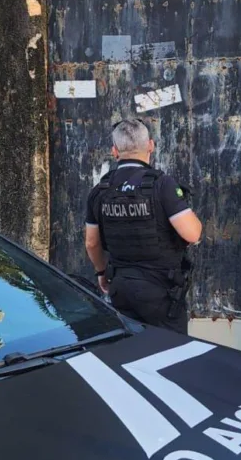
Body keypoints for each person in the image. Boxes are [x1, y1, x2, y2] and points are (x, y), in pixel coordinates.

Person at [84, 119, 203, 334]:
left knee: (129, 353)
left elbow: (92, 243)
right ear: (150, 145)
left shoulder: (101, 189)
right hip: (160, 291)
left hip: (120, 287)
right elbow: (193, 234)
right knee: (170, 356)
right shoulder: (161, 184)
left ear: (114, 151)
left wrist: (101, 273)